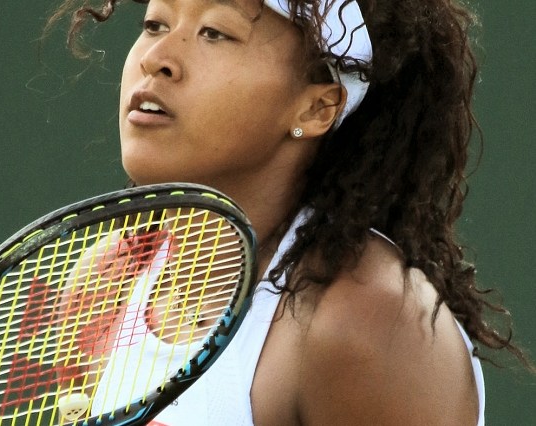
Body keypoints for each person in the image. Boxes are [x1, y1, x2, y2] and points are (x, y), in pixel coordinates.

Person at [45, 0, 532, 424]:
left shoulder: (365, 322)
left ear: (317, 107)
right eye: (155, 24)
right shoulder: (107, 282)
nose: (156, 59)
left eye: (215, 32)